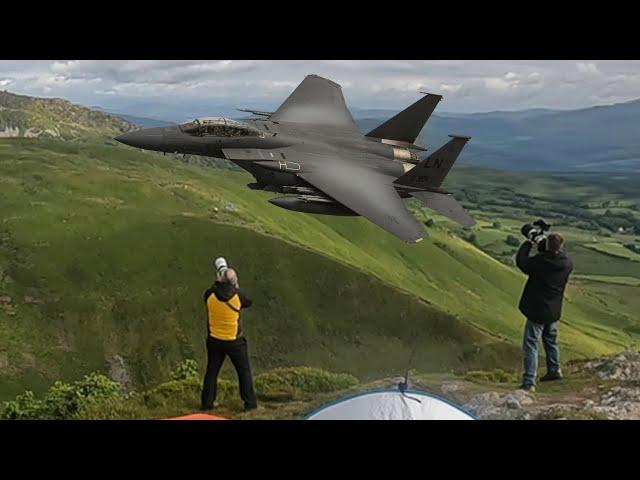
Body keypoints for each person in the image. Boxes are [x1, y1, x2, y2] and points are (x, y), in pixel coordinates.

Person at [515, 232, 573, 392]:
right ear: (561, 246)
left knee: (531, 344)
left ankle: (529, 381)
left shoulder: (541, 262)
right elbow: (553, 257)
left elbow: (522, 262)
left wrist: (529, 242)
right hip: (553, 310)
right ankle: (554, 371)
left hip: (537, 310)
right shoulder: (567, 263)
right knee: (551, 341)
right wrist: (546, 248)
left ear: (547, 245)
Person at [200, 260, 258, 411]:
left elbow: (211, 294)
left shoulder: (209, 294)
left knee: (212, 371)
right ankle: (250, 404)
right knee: (243, 371)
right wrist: (236, 287)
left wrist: (219, 282)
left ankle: (207, 403)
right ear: (234, 281)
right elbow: (248, 302)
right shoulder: (238, 295)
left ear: (218, 278)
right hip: (234, 341)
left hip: (214, 340)